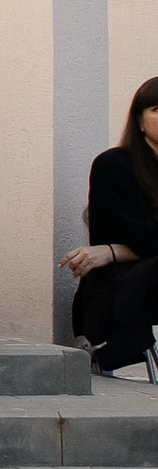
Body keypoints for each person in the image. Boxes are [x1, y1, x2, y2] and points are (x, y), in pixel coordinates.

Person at [66, 78, 158, 380]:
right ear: (139, 120)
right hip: (121, 286)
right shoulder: (115, 165)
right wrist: (116, 254)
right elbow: (145, 238)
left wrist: (110, 251)